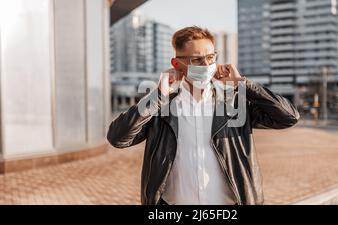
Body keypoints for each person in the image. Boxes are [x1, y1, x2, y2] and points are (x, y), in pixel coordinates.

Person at [107, 26, 300, 205]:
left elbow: (289, 116)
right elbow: (118, 138)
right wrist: (158, 96)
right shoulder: (160, 108)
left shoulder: (234, 102)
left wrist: (243, 84)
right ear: (177, 63)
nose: (207, 65)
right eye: (197, 60)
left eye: (211, 57)